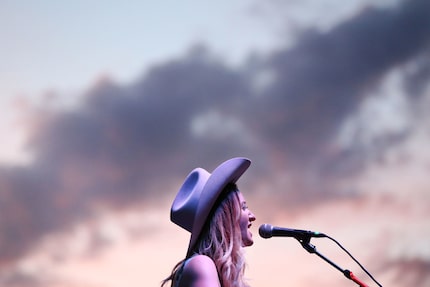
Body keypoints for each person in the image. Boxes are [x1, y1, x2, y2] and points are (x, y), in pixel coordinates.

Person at [161, 157, 256, 287]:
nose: (252, 216)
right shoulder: (201, 264)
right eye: (243, 207)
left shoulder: (207, 267)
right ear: (224, 217)